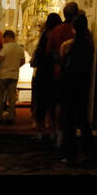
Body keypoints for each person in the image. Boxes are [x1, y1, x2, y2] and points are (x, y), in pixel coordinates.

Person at [59, 13, 96, 164]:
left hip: (69, 84)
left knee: (69, 120)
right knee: (83, 119)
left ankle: (70, 154)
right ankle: (88, 152)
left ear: (73, 28)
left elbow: (62, 64)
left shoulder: (68, 45)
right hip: (83, 84)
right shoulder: (89, 44)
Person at [46, 2, 80, 147]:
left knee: (59, 104)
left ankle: (59, 133)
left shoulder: (57, 30)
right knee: (74, 103)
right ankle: (70, 131)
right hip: (76, 73)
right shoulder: (78, 31)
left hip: (59, 72)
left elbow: (49, 51)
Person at [31, 12, 61, 141]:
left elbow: (41, 52)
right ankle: (53, 130)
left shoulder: (45, 35)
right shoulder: (60, 33)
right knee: (53, 103)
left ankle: (40, 130)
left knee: (41, 102)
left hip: (43, 71)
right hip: (54, 72)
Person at [0, 29, 26, 124]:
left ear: (7, 37)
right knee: (12, 98)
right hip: (14, 75)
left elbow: (0, 59)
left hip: (3, 74)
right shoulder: (20, 48)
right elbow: (23, 61)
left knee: (0, 97)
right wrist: (15, 66)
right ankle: (11, 117)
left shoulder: (4, 47)